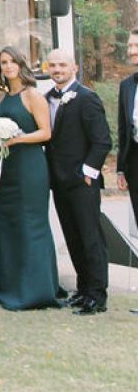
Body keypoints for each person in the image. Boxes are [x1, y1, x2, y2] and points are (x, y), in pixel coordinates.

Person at [0, 47, 59, 310]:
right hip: (10, 167)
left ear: (20, 64)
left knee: (31, 223)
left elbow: (45, 133)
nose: (7, 66)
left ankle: (36, 289)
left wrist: (17, 139)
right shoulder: (1, 97)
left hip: (30, 166)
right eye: (3, 62)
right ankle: (10, 285)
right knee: (10, 223)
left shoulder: (33, 95)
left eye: (11, 61)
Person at [44, 47, 111, 315]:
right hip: (58, 181)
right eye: (52, 66)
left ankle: (97, 296)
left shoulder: (87, 98)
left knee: (90, 238)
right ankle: (83, 290)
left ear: (75, 68)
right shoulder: (46, 98)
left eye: (62, 65)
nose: (57, 70)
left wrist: (88, 173)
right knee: (72, 237)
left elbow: (102, 141)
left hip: (82, 182)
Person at [116, 28, 138, 301]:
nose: (132, 51)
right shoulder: (127, 85)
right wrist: (121, 168)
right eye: (131, 47)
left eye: (137, 46)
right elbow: (124, 130)